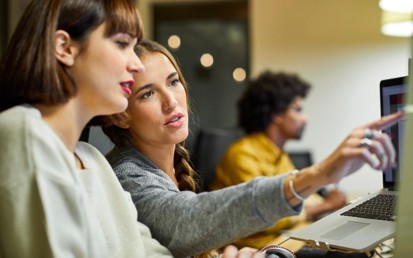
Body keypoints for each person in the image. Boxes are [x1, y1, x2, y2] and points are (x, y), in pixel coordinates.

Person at [0, 1, 260, 258]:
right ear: (65, 47)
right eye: (122, 44)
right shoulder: (24, 131)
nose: (135, 64)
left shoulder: (92, 160)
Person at [101, 39, 402, 258]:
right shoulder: (126, 175)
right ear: (120, 112)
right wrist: (319, 175)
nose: (171, 101)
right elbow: (184, 222)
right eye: (148, 93)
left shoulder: (168, 170)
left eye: (174, 82)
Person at [209, 71, 347, 249]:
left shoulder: (279, 155)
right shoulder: (241, 155)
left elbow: (301, 195)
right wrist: (324, 206)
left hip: (288, 235)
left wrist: (333, 204)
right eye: (297, 110)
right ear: (277, 115)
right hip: (259, 247)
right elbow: (261, 215)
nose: (305, 119)